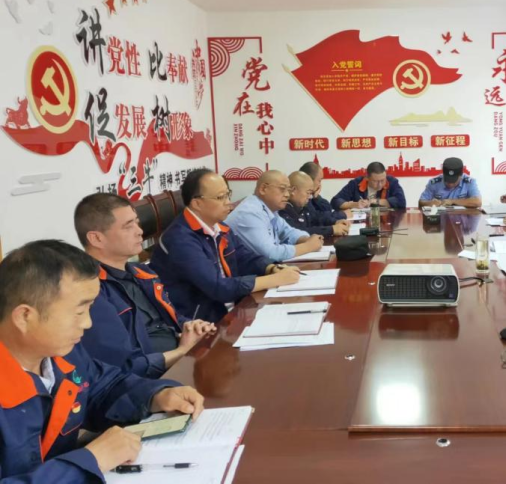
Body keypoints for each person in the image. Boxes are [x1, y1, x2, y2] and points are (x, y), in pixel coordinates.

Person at [0, 240, 205, 481]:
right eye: (79, 312)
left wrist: (155, 395)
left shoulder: (63, 356)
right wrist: (90, 462)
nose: (88, 323)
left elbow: (103, 387)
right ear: (25, 316)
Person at [74, 193, 216, 378]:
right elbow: (121, 368)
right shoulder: (91, 292)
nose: (139, 231)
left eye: (137, 222)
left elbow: (167, 320)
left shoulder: (142, 272)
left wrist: (191, 327)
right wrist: (182, 351)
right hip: (149, 381)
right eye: (128, 226)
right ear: (96, 239)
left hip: (178, 359)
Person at [150, 169, 301, 322]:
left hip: (231, 310)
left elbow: (244, 257)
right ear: (197, 203)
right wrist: (275, 279)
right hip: (199, 323)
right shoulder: (180, 239)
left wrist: (272, 268)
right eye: (220, 197)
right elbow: (218, 287)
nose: (228, 202)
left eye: (228, 194)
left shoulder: (219, 227)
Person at [225, 170, 326, 262]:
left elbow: (289, 231)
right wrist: (308, 246)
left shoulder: (270, 210)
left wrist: (306, 239)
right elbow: (271, 254)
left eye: (288, 190)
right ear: (263, 189)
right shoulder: (249, 213)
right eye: (282, 189)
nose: (287, 195)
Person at [280, 171, 351, 237]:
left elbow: (317, 217)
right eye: (308, 193)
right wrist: (331, 230)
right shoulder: (282, 209)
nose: (310, 197)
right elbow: (299, 231)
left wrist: (335, 222)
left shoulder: (302, 206)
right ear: (293, 190)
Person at [331, 162, 407, 210]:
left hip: (386, 221)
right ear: (367, 177)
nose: (380, 184)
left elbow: (401, 202)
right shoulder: (356, 183)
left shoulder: (392, 182)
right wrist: (354, 204)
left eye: (382, 180)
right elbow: (335, 201)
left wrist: (374, 201)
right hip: (362, 223)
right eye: (375, 181)